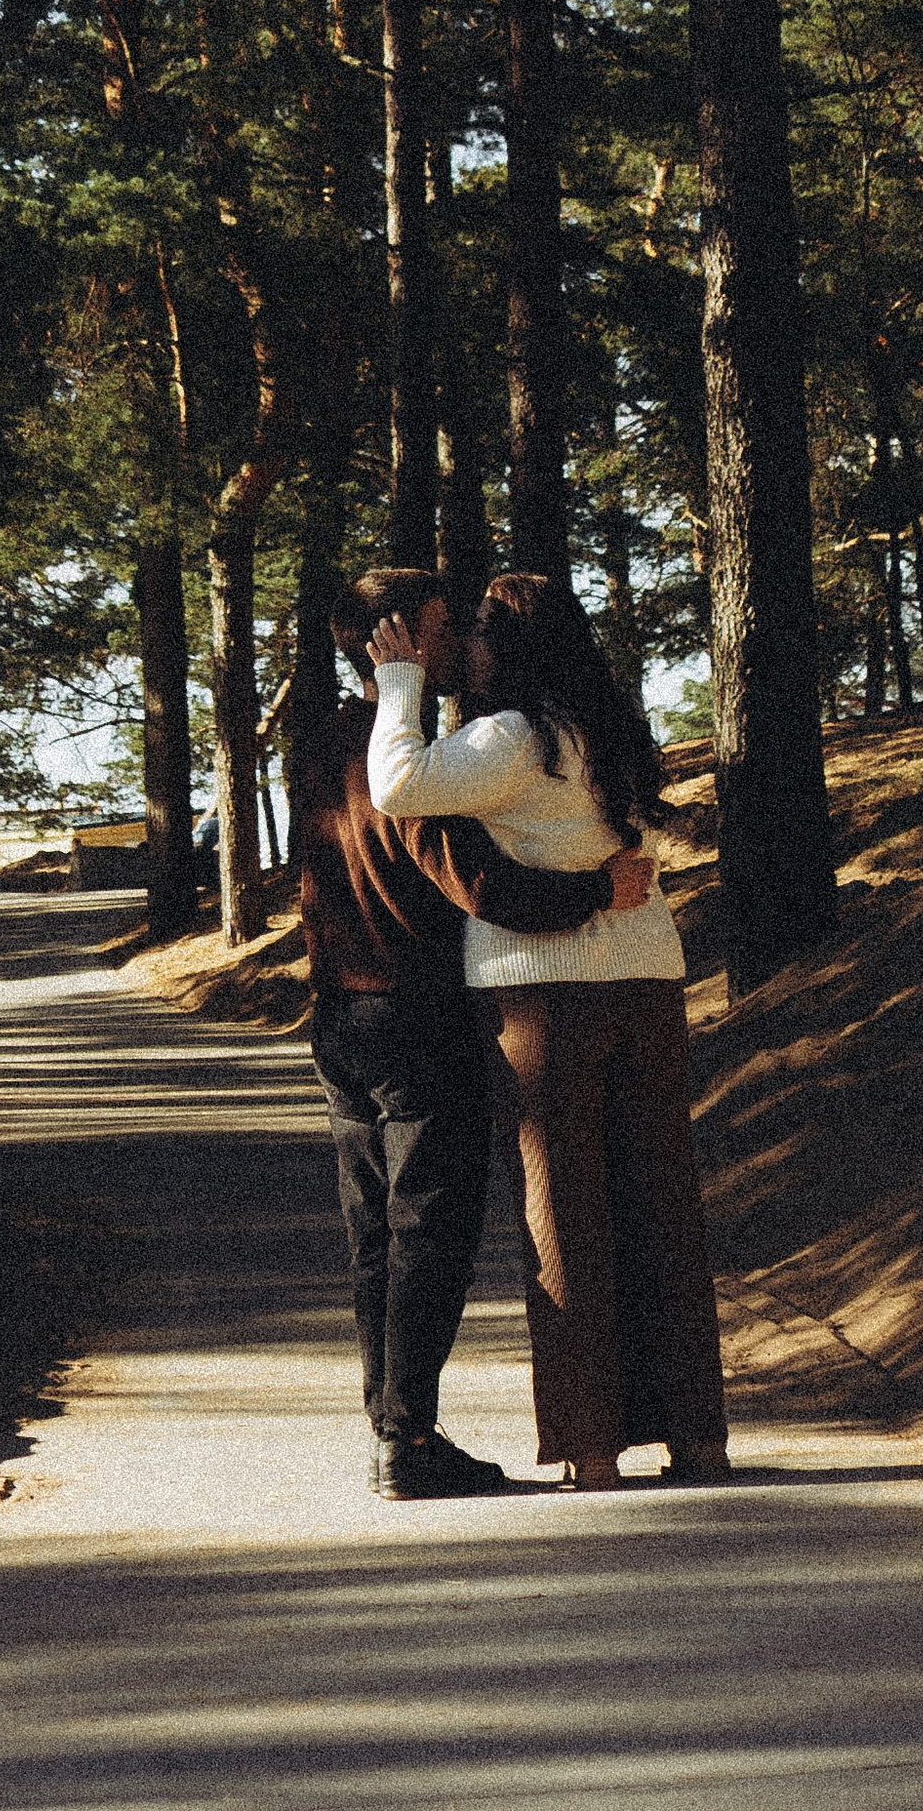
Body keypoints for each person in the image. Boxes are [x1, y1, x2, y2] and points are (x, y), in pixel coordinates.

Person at [367, 568, 731, 1491]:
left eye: (479, 633)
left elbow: (397, 787)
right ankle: (697, 1439)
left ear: (510, 646)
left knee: (561, 1211)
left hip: (545, 995)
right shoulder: (604, 732)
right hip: (647, 980)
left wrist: (401, 683)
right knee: (662, 1206)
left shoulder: (511, 739)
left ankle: (594, 1447)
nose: (466, 650)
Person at [299, 566, 657, 1501]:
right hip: (418, 1014)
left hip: (340, 1014)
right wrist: (598, 890)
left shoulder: (325, 741)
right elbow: (486, 889)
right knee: (431, 1229)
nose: (462, 637)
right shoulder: (407, 754)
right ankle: (407, 1439)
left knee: (373, 1229)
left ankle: (391, 1429)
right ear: (405, 636)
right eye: (446, 622)